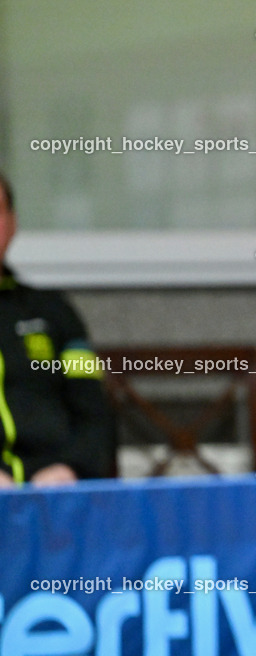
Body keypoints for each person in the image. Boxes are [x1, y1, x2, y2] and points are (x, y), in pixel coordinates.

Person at [0, 170, 116, 487]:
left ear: (12, 224)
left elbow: (94, 412)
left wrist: (71, 468)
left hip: (55, 494)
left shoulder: (54, 312)